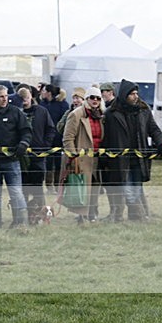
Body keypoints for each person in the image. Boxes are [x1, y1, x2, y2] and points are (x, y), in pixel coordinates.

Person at [102, 79, 162, 222]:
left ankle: (133, 217)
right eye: (132, 94)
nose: (135, 96)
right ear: (124, 95)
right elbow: (105, 137)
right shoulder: (111, 114)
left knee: (136, 190)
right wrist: (104, 158)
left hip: (138, 159)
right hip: (119, 160)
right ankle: (139, 216)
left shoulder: (143, 111)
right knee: (126, 190)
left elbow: (154, 129)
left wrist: (161, 143)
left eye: (136, 93)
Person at [0, 84, 32, 227]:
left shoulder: (15, 112)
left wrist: (23, 144)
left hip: (12, 160)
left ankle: (20, 221)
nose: (5, 99)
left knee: (16, 192)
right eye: (1, 96)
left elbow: (26, 131)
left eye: (6, 96)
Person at [62, 86, 104, 223]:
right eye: (92, 97)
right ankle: (81, 215)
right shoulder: (76, 114)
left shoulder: (101, 115)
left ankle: (93, 213)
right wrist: (73, 156)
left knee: (95, 187)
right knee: (83, 187)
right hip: (81, 158)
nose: (95, 100)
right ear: (87, 99)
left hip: (97, 157)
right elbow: (68, 138)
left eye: (98, 98)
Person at [18, 87, 56, 210]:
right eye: (22, 99)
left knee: (38, 187)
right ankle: (23, 212)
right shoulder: (15, 112)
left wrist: (45, 146)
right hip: (20, 156)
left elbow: (50, 129)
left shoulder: (41, 111)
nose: (25, 101)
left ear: (31, 97)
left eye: (27, 98)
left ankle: (40, 211)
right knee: (22, 188)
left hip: (38, 155)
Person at [38, 83, 69, 195]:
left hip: (58, 138)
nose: (42, 93)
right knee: (47, 162)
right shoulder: (42, 104)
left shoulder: (62, 104)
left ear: (49, 92)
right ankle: (49, 184)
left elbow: (64, 121)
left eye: (44, 91)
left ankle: (57, 185)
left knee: (58, 163)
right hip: (45, 138)